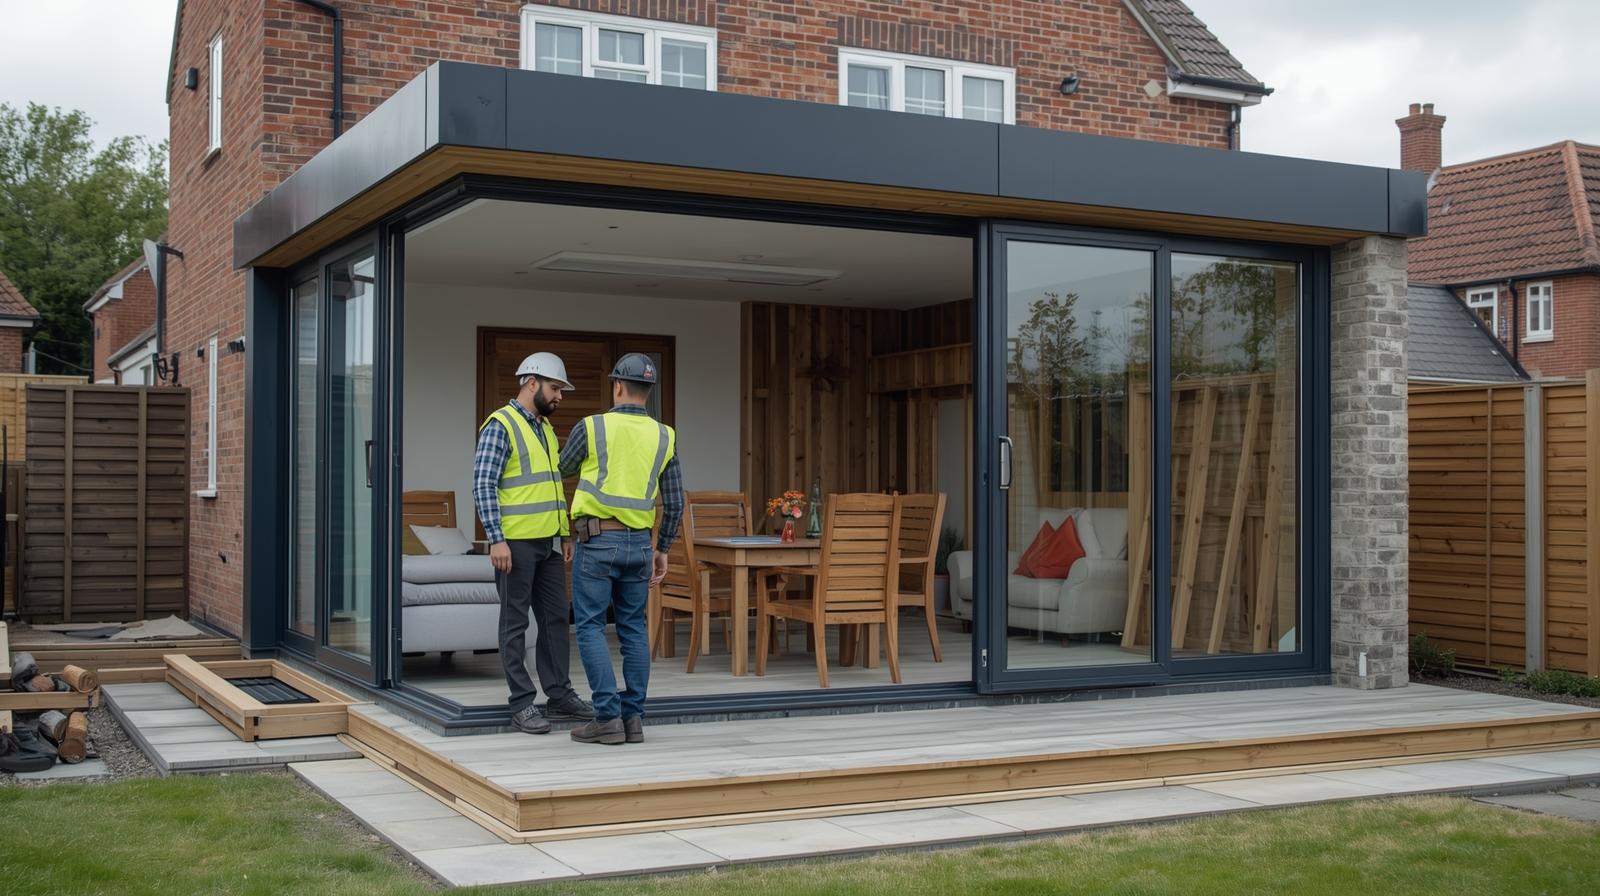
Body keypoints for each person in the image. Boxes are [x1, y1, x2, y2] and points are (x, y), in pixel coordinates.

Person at [561, 353, 683, 746]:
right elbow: (676, 502)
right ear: (649, 390)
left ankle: (607, 717)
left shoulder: (593, 427)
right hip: (640, 546)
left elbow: (561, 468)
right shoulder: (665, 435)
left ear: (617, 386)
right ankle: (633, 720)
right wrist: (662, 547)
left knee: (592, 627)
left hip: (597, 542)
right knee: (633, 629)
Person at [473, 352, 595, 734]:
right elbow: (483, 484)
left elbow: (553, 486)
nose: (560, 396)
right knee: (514, 623)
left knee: (557, 618)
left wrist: (564, 533)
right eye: (555, 388)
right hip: (515, 544)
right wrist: (497, 539)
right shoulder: (500, 425)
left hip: (548, 543)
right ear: (531, 383)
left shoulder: (543, 429)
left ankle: (558, 693)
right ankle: (522, 703)